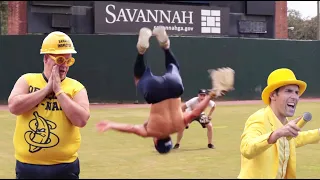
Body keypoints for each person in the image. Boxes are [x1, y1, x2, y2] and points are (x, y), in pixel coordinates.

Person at [96, 26, 222, 154]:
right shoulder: (151, 131)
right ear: (155, 142)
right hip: (154, 92)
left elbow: (196, 112)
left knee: (174, 67)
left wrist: (210, 95)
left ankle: (166, 46)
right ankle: (141, 51)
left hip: (175, 88)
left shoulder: (179, 127)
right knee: (138, 79)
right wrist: (111, 125)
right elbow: (131, 128)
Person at [8, 31, 90, 179]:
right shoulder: (27, 80)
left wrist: (59, 91)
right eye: (59, 60)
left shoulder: (76, 87)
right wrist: (46, 90)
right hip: (28, 166)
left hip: (65, 167)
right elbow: (14, 106)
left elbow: (82, 119)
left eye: (68, 61)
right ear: (46, 58)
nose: (64, 65)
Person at [238, 68, 320, 179]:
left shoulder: (284, 125)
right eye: (288, 91)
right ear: (273, 95)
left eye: (296, 92)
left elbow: (298, 138)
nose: (295, 97)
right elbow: (246, 148)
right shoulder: (259, 118)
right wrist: (275, 135)